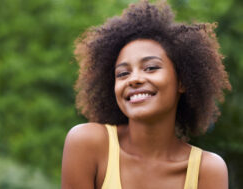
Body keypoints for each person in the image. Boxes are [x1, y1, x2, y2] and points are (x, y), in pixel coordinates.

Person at [61, 0, 231, 188]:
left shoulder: (206, 170)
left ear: (182, 81)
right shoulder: (88, 143)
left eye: (150, 68)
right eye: (123, 73)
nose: (134, 79)